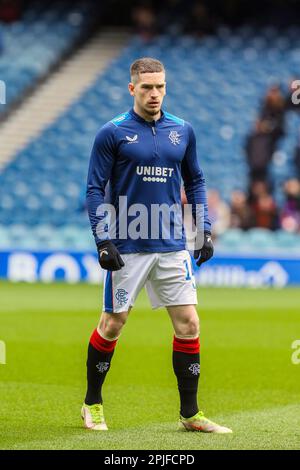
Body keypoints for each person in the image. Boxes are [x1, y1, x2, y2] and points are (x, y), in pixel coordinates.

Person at [83, 57, 232, 433]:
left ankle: (190, 413)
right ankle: (92, 403)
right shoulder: (112, 132)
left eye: (160, 86)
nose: (155, 94)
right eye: (147, 87)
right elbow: (94, 189)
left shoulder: (182, 130)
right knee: (113, 324)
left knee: (189, 323)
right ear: (132, 88)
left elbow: (196, 181)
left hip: (171, 243)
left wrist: (203, 230)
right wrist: (103, 240)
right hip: (128, 244)